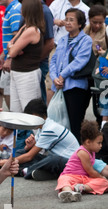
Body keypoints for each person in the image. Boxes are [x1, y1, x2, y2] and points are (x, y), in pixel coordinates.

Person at [13, 98, 108, 181]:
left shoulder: (50, 129)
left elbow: (29, 156)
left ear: (36, 116)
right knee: (20, 153)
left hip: (69, 162)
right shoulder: (42, 128)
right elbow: (33, 153)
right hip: (58, 161)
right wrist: (28, 147)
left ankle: (24, 171)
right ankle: (43, 171)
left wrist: (9, 162)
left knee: (53, 159)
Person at [49, 8, 93, 143]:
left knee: (75, 123)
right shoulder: (62, 40)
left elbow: (80, 61)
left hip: (76, 87)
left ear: (80, 24)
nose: (67, 22)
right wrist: (55, 77)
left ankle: (77, 155)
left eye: (71, 20)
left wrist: (62, 76)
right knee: (58, 121)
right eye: (66, 19)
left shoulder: (86, 40)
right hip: (60, 86)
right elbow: (54, 61)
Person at [56, 120, 108, 202]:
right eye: (99, 143)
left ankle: (80, 188)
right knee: (63, 179)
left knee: (104, 183)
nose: (101, 146)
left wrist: (102, 179)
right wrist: (101, 176)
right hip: (71, 176)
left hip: (83, 179)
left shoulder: (92, 151)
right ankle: (68, 192)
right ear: (88, 142)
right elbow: (90, 171)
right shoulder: (83, 152)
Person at [7, 0, 45, 113]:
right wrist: (13, 48)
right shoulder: (25, 27)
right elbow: (10, 45)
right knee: (15, 111)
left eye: (23, 7)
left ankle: (33, 132)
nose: (20, 9)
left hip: (27, 75)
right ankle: (19, 132)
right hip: (16, 72)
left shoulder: (32, 30)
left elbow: (12, 52)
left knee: (29, 111)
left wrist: (13, 49)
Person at [0, 0, 22, 109]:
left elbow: (17, 37)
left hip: (14, 59)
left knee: (10, 92)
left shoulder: (15, 10)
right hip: (9, 57)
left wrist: (10, 58)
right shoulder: (11, 9)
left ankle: (16, 120)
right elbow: (10, 39)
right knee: (3, 89)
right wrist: (2, 57)